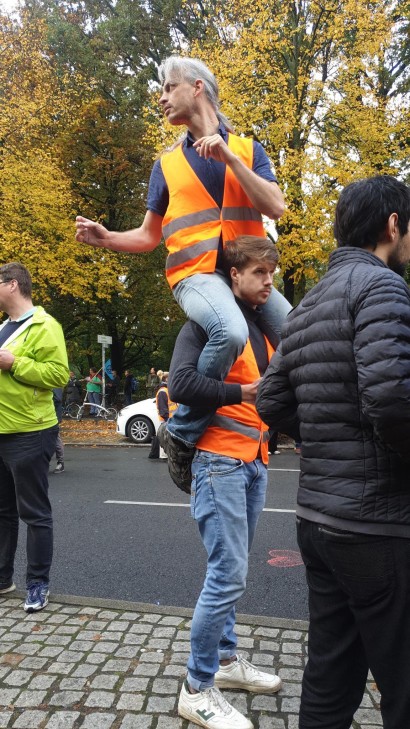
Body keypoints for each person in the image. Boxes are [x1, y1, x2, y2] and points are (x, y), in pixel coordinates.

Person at [75, 55, 292, 490]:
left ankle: (283, 416)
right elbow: (149, 236)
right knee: (230, 331)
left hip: (243, 276)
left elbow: (276, 206)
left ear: (196, 87)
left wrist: (230, 157)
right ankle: (183, 430)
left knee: (300, 334)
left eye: (167, 88)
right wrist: (107, 238)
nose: (161, 99)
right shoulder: (166, 164)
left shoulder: (247, 150)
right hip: (194, 276)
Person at [256, 175, 410, 729]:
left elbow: (271, 400)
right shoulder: (383, 287)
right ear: (394, 225)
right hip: (377, 523)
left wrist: (328, 434)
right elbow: (391, 398)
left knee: (330, 674)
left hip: (317, 520)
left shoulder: (308, 303)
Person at [166, 236, 283, 729]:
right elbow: (181, 385)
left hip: (253, 462)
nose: (268, 282)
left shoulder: (262, 327)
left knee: (233, 569)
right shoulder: (208, 326)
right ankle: (196, 687)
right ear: (233, 275)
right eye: (259, 273)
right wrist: (241, 389)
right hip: (218, 463)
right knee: (228, 573)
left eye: (271, 274)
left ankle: (228, 661)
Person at [0, 262, 69, 612]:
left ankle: (37, 585)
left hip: (29, 431)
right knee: (2, 511)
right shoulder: (3, 327)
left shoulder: (45, 325)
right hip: (1, 430)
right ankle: (3, 580)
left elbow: (58, 374)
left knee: (35, 514)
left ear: (12, 285)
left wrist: (14, 364)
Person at [149, 371, 177, 459]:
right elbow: (163, 409)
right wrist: (168, 419)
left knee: (166, 437)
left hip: (169, 418)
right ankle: (163, 456)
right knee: (164, 437)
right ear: (167, 379)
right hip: (166, 419)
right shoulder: (162, 391)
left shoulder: (166, 390)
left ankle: (165, 455)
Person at [52, 388, 65, 474]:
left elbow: (58, 399)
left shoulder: (54, 383)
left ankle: (60, 462)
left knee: (56, 439)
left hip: (53, 416)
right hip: (47, 415)